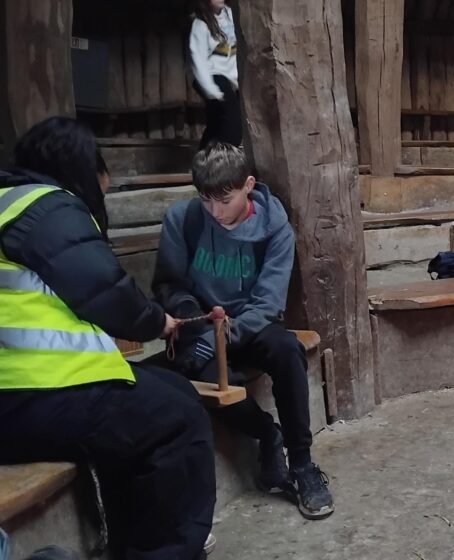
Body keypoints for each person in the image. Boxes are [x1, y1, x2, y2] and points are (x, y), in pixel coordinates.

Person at [0, 117, 215, 560]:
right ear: (81, 166)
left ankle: (129, 544)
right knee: (176, 416)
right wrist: (158, 323)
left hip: (25, 391)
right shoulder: (45, 206)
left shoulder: (8, 202)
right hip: (29, 394)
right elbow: (105, 291)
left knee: (162, 396)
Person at [150, 142, 334, 519]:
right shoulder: (181, 219)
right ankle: (268, 433)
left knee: (286, 350)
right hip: (199, 328)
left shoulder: (275, 230)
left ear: (248, 184)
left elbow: (268, 303)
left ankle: (301, 463)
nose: (215, 211)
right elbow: (169, 285)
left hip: (251, 326)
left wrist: (223, 338)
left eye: (225, 199)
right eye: (205, 200)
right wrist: (193, 323)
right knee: (198, 381)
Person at [190, 0, 242, 148]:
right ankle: (223, 162)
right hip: (214, 78)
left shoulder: (230, 14)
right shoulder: (200, 25)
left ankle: (202, 163)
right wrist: (212, 90)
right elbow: (198, 60)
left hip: (231, 79)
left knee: (215, 124)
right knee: (232, 125)